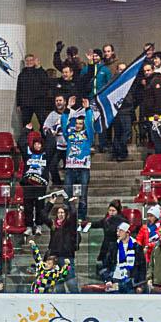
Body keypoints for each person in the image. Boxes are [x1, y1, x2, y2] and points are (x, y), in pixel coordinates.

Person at [61, 97, 93, 230]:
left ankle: (81, 220)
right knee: (67, 194)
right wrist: (67, 109)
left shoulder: (88, 135)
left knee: (83, 196)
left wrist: (87, 109)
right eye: (77, 123)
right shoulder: (69, 134)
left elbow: (90, 124)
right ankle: (67, 218)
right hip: (70, 168)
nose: (78, 125)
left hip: (83, 168)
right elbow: (63, 124)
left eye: (81, 123)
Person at [103, 222, 146, 293]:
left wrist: (140, 285)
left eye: (121, 231)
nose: (118, 233)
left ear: (127, 233)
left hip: (131, 282)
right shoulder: (113, 246)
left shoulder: (137, 247)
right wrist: (108, 280)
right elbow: (106, 265)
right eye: (117, 231)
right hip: (115, 280)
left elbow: (141, 268)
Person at [21, 136, 49, 236]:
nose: (37, 145)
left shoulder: (46, 156)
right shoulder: (27, 155)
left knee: (40, 207)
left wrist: (48, 133)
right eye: (35, 144)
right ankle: (29, 227)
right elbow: (21, 143)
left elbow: (53, 146)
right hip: (28, 185)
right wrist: (26, 131)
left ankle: (38, 226)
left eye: (39, 144)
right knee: (28, 207)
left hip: (40, 186)